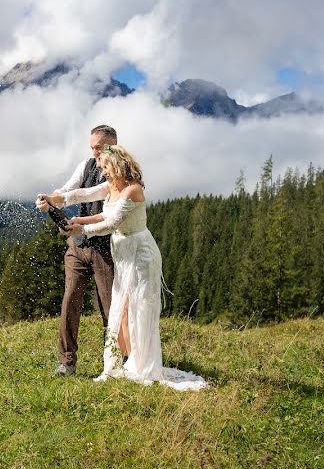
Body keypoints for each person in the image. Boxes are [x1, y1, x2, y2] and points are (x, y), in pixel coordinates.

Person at [49, 145, 208, 391]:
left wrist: (81, 228)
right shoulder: (111, 186)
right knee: (121, 309)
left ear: (118, 165)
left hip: (141, 255)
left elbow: (112, 222)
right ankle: (127, 361)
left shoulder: (133, 189)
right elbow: (88, 198)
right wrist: (67, 209)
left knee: (139, 307)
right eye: (101, 169)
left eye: (106, 168)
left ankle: (141, 364)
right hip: (123, 254)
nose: (103, 173)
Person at [36, 125, 117, 377]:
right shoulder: (86, 165)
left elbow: (92, 201)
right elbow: (69, 188)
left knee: (110, 307)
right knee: (70, 300)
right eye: (91, 147)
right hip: (78, 247)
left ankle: (116, 362)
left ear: (112, 145)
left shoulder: (119, 174)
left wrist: (64, 203)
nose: (94, 152)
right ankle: (67, 361)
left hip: (105, 249)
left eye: (99, 148)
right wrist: (51, 198)